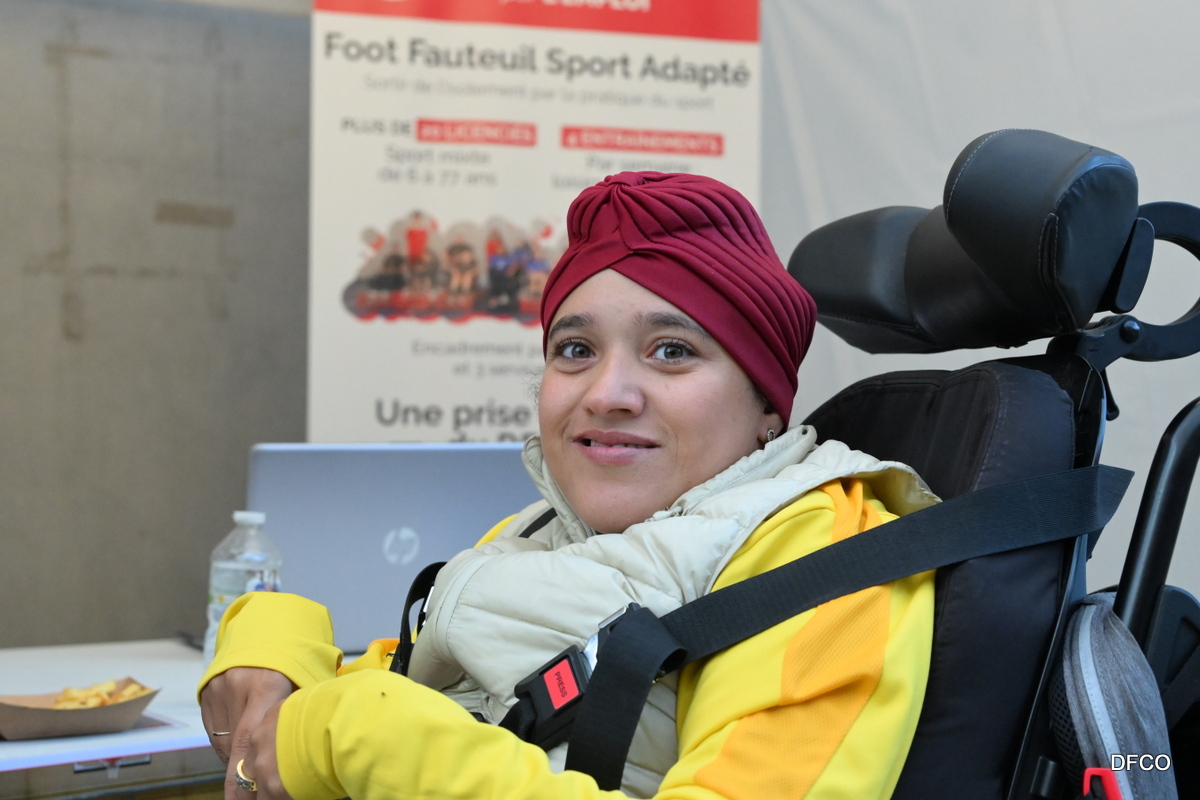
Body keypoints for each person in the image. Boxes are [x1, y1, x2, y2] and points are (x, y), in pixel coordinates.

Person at [199, 172, 938, 800]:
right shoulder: (537, 532)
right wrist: (275, 647)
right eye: (576, 349)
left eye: (671, 351)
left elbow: (379, 729)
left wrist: (364, 735)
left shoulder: (829, 558)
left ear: (766, 404)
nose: (606, 393)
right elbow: (397, 691)